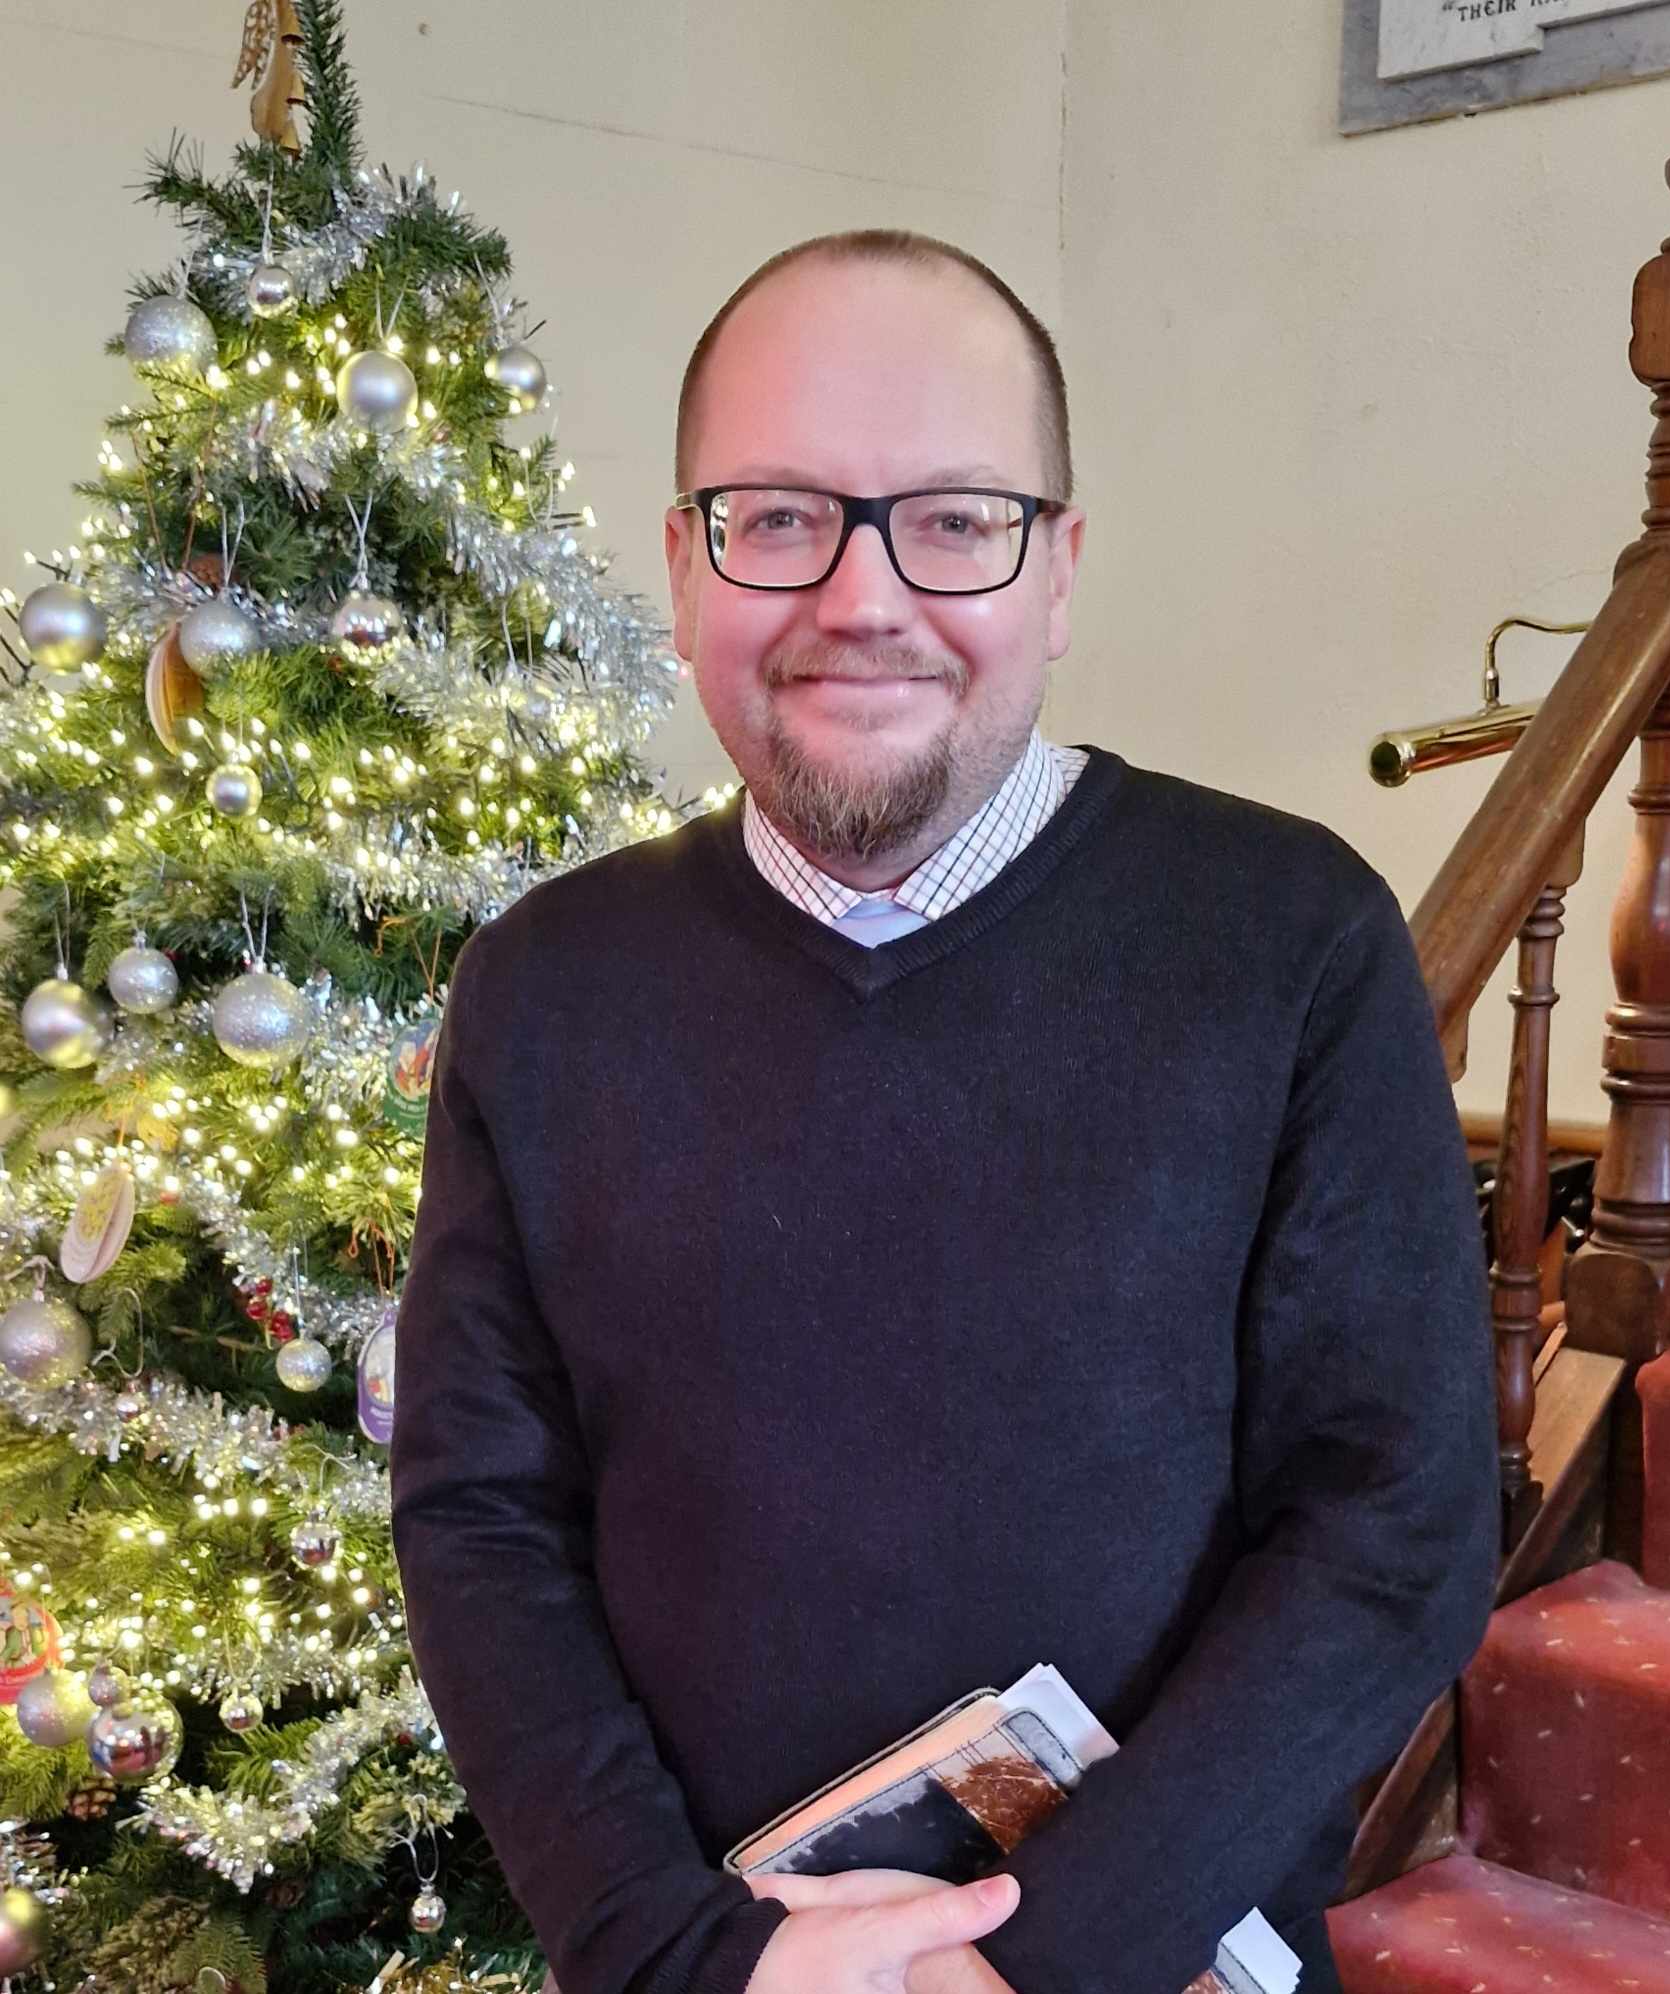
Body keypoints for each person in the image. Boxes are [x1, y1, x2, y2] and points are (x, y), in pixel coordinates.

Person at [389, 229, 1500, 1994]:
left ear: (1057, 570)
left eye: (956, 519)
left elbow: (1393, 1526)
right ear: (681, 565)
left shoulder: (1289, 941)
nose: (861, 596)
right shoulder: (542, 984)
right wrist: (685, 1952)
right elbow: (479, 1514)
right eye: (777, 515)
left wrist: (1026, 1963)